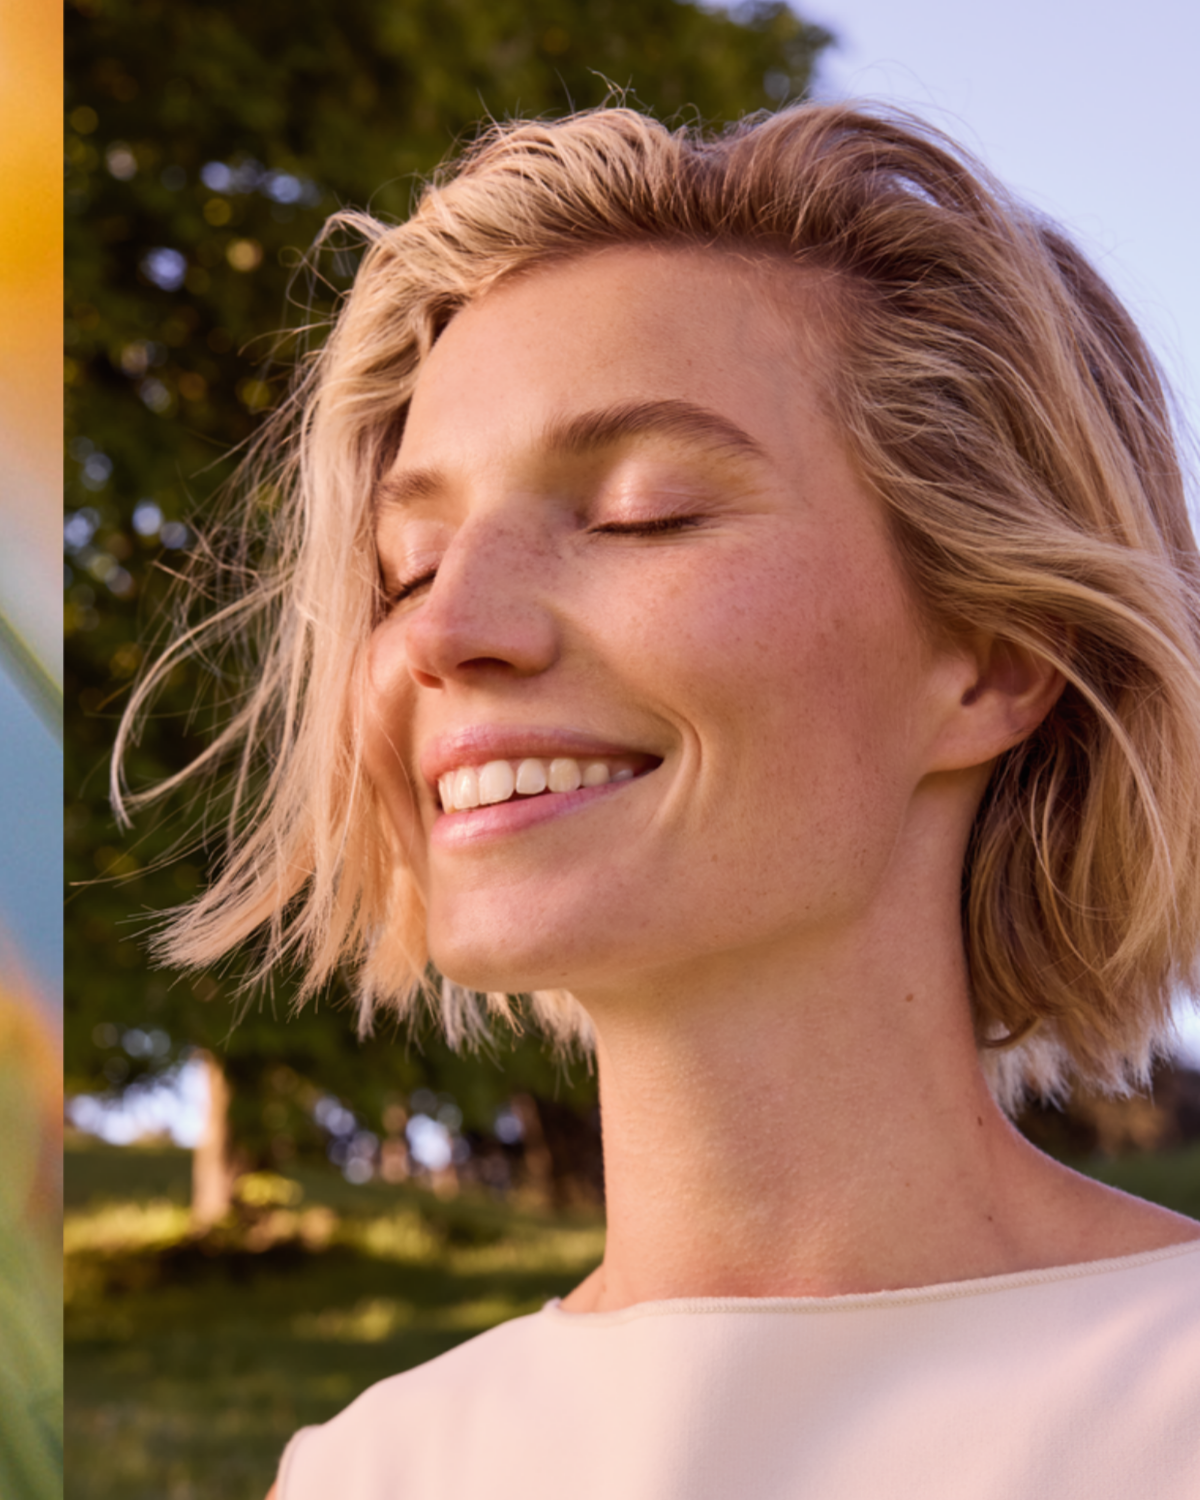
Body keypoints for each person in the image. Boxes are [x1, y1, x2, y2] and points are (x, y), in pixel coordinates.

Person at [141, 102, 1200, 1496]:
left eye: (640, 513)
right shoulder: (367, 1470)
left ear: (997, 659)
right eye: (402, 565)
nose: (444, 629)